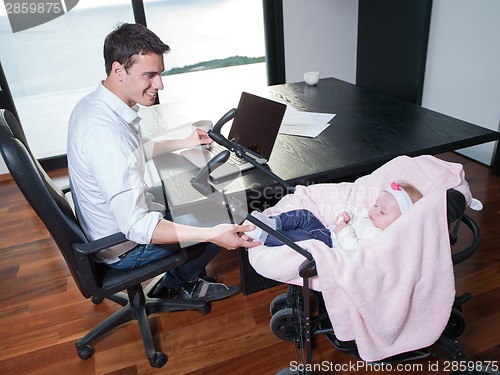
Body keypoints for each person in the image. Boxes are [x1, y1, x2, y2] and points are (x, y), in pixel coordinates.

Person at [67, 22, 259, 302]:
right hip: (125, 249)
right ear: (119, 70)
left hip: (106, 226)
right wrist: (211, 234)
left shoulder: (95, 106)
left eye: (160, 74)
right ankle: (181, 283)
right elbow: (137, 227)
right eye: (150, 75)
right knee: (228, 212)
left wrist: (183, 142)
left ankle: (187, 268)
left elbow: (135, 150)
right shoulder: (105, 135)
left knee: (194, 197)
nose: (160, 84)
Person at [246, 181, 423, 250]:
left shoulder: (379, 237)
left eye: (382, 211)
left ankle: (265, 235)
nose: (374, 211)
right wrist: (344, 214)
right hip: (328, 231)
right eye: (376, 205)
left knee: (306, 238)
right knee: (304, 215)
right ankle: (271, 223)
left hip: (330, 244)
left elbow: (356, 253)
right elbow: (356, 210)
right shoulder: (370, 216)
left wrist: (344, 231)